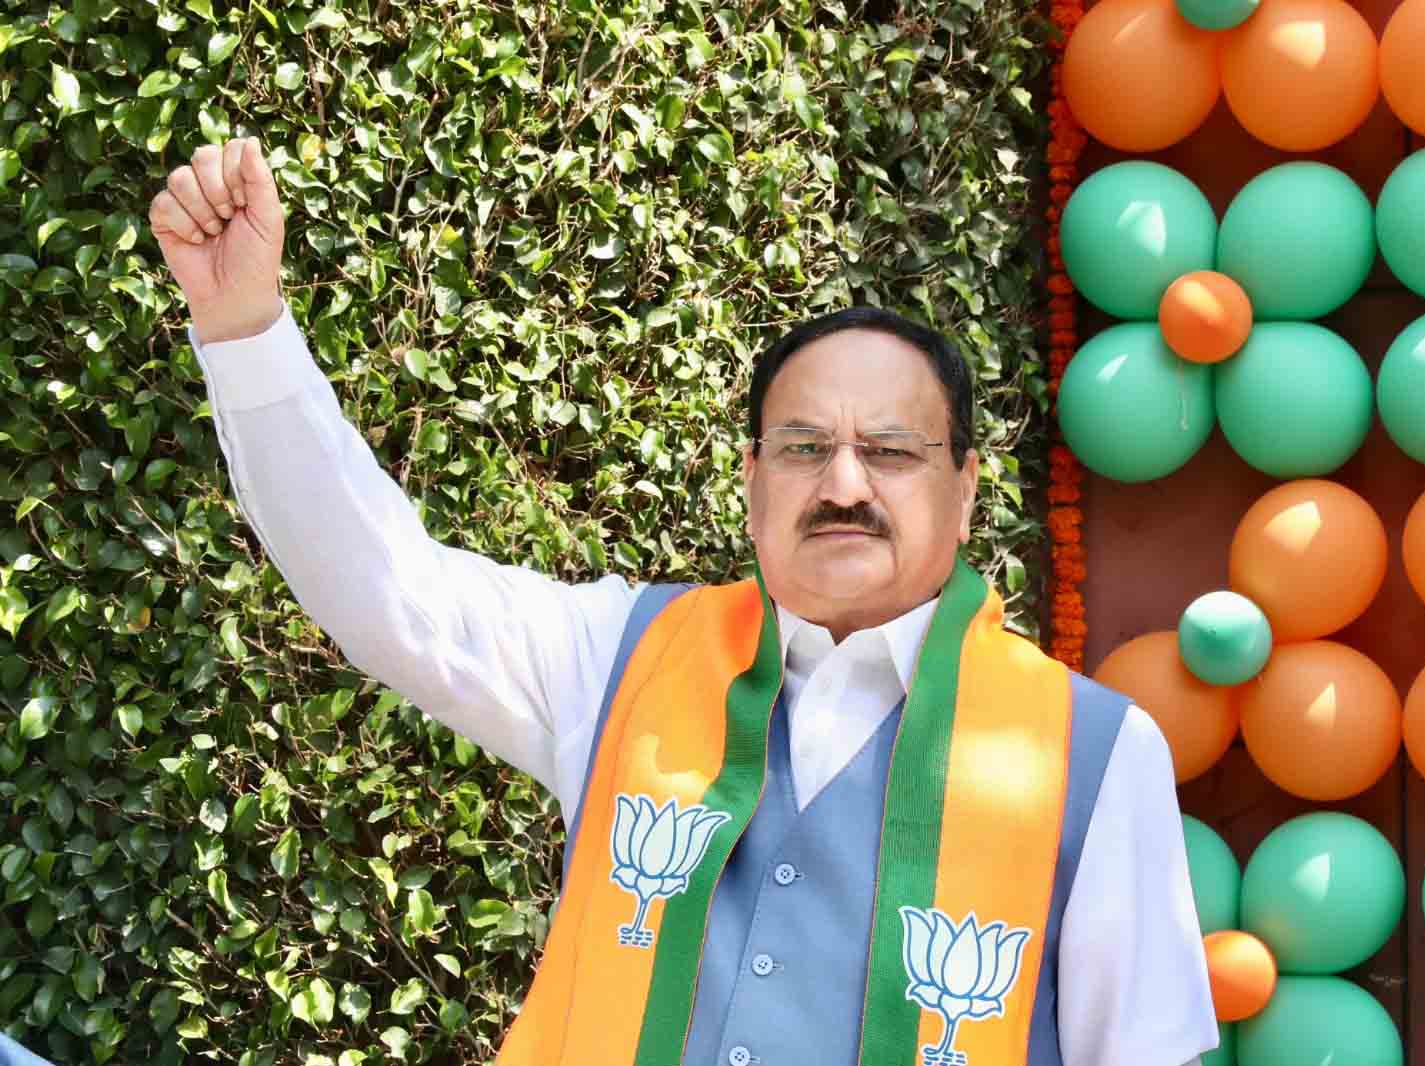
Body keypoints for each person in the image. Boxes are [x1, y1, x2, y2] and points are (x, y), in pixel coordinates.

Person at [150, 137, 1218, 1066]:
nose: (843, 484)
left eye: (890, 451)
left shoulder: (1093, 751)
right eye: (804, 448)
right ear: (751, 479)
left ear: (965, 487)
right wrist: (244, 327)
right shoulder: (623, 655)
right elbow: (382, 585)